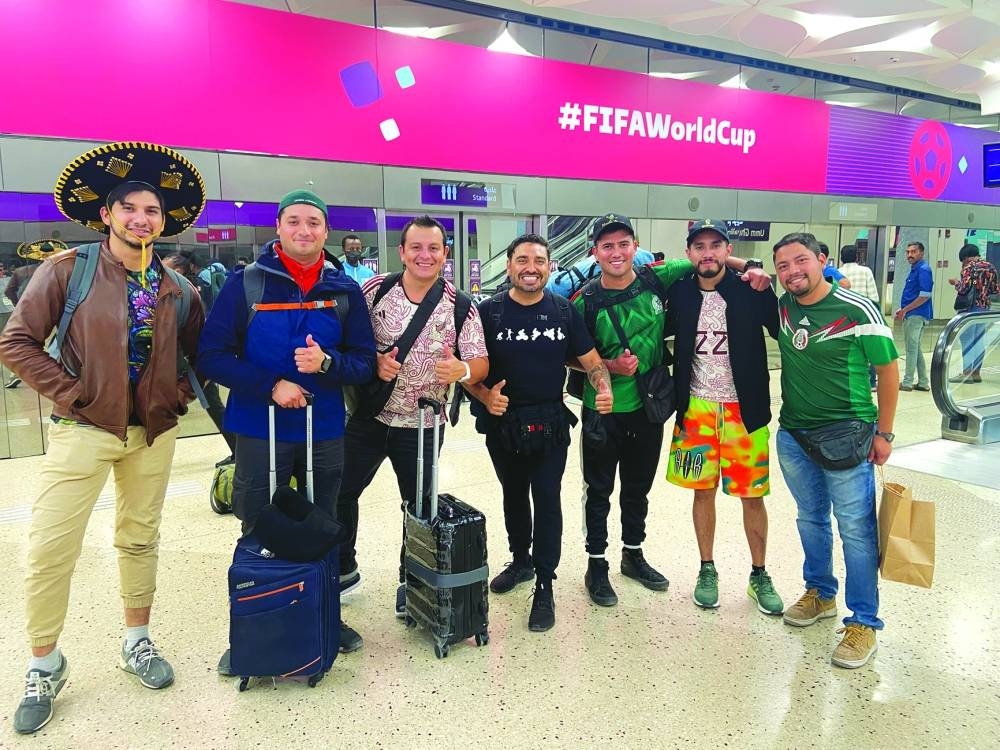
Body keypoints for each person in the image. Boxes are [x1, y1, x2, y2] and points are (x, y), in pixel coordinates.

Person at [0, 142, 207, 734]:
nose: (142, 219)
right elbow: (16, 343)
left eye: (153, 211)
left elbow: (200, 355)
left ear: (163, 222)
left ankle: (136, 640)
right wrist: (76, 396)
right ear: (109, 215)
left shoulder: (177, 286)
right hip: (82, 430)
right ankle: (45, 662)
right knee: (48, 548)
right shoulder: (69, 270)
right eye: (131, 208)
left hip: (152, 436)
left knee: (140, 539)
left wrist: (175, 399)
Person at [198, 189, 377, 661]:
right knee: (257, 519)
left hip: (324, 429)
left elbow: (364, 364)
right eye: (294, 221)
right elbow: (212, 356)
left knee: (325, 521)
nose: (304, 231)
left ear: (326, 232)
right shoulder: (246, 285)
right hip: (260, 427)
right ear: (278, 228)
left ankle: (324, 614)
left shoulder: (344, 291)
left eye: (314, 223)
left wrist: (326, 365)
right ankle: (260, 618)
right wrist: (271, 383)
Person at [575, 214, 771, 608]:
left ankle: (633, 554)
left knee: (638, 488)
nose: (616, 253)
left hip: (651, 407)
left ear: (635, 247)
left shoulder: (656, 277)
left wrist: (750, 267)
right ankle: (597, 564)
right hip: (606, 407)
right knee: (599, 491)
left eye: (623, 244)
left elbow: (711, 261)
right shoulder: (585, 299)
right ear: (594, 252)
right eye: (607, 246)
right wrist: (609, 368)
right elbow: (569, 354)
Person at [335, 215, 488, 627]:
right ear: (401, 252)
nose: (425, 255)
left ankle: (413, 579)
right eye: (416, 248)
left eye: (433, 248)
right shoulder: (375, 290)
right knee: (341, 494)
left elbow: (480, 361)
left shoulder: (460, 305)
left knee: (419, 507)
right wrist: (373, 363)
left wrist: (463, 372)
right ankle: (343, 569)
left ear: (445, 255)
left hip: (423, 423)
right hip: (369, 416)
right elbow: (345, 341)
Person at [464, 233, 612, 632]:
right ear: (510, 265)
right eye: (523, 260)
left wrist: (604, 385)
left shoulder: (563, 311)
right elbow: (468, 369)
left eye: (540, 261)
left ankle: (545, 583)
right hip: (503, 422)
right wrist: (482, 396)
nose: (531, 268)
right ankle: (521, 561)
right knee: (513, 494)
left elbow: (591, 360)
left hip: (549, 423)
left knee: (546, 499)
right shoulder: (487, 312)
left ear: (550, 267)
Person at [772, 232, 899, 669]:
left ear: (822, 260)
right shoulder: (785, 303)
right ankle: (820, 593)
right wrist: (738, 263)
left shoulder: (855, 307)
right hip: (794, 436)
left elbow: (887, 371)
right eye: (783, 266)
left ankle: (864, 621)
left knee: (857, 532)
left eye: (800, 261)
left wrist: (884, 434)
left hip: (847, 437)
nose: (792, 271)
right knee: (810, 518)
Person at [666, 220, 783, 615]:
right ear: (689, 254)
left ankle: (759, 573)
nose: (708, 253)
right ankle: (707, 568)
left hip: (744, 413)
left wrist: (755, 270)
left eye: (716, 246)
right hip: (695, 410)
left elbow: (787, 330)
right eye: (699, 247)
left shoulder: (751, 291)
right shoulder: (679, 293)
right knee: (703, 491)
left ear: (727, 249)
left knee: (753, 496)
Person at [162, 253, 237, 463]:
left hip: (193, 365)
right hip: (185, 365)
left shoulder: (186, 294)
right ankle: (238, 451)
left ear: (178, 271)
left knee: (216, 408)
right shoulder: (171, 292)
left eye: (165, 266)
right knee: (215, 408)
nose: (159, 270)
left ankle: (239, 451)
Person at [948, 244, 1000, 383]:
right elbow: (995, 290)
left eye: (963, 260)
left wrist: (955, 282)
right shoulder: (991, 267)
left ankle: (966, 373)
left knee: (967, 341)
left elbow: (963, 289)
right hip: (984, 309)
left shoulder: (969, 268)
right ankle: (976, 373)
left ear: (966, 257)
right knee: (979, 341)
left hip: (970, 309)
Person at [839, 245, 881, 389]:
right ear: (857, 257)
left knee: (848, 350)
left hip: (844, 319)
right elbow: (874, 297)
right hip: (864, 317)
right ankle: (871, 382)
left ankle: (849, 380)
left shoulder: (837, 273)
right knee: (868, 350)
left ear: (841, 258)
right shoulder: (866, 271)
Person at [894, 241, 933, 392]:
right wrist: (903, 309)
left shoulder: (923, 270)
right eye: (908, 252)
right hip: (913, 313)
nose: (910, 255)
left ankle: (907, 382)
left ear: (921, 253)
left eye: (913, 252)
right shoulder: (915, 269)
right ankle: (923, 382)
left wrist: (906, 310)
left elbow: (924, 295)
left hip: (916, 315)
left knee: (911, 349)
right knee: (915, 349)